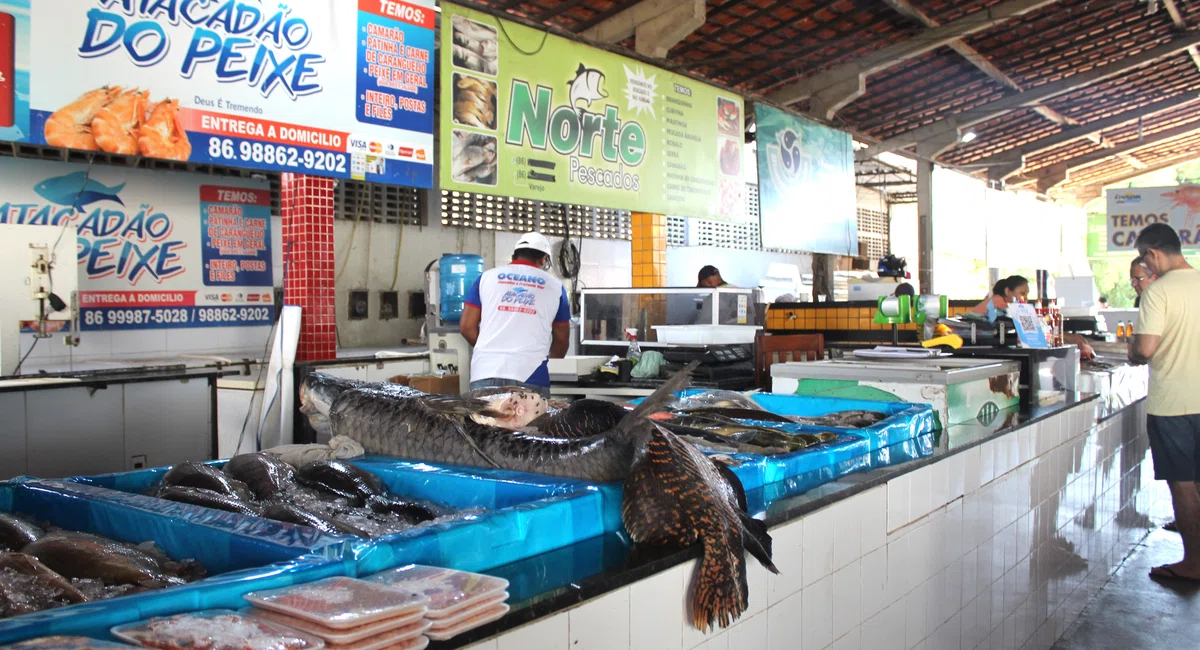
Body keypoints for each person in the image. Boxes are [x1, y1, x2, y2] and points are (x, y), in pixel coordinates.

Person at [1127, 223, 1200, 581]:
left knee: (1183, 485)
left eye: (1144, 259)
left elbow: (1145, 349)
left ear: (1152, 254)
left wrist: (1132, 348)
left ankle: (1193, 564)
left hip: (1173, 405)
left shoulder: (1159, 292)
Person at [459, 232, 570, 398]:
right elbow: (561, 340)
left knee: (483, 423)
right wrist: (548, 365)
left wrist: (490, 349)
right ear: (544, 259)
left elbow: (467, 327)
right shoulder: (555, 287)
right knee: (530, 424)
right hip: (531, 374)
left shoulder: (485, 278)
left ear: (514, 255)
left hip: (485, 372)